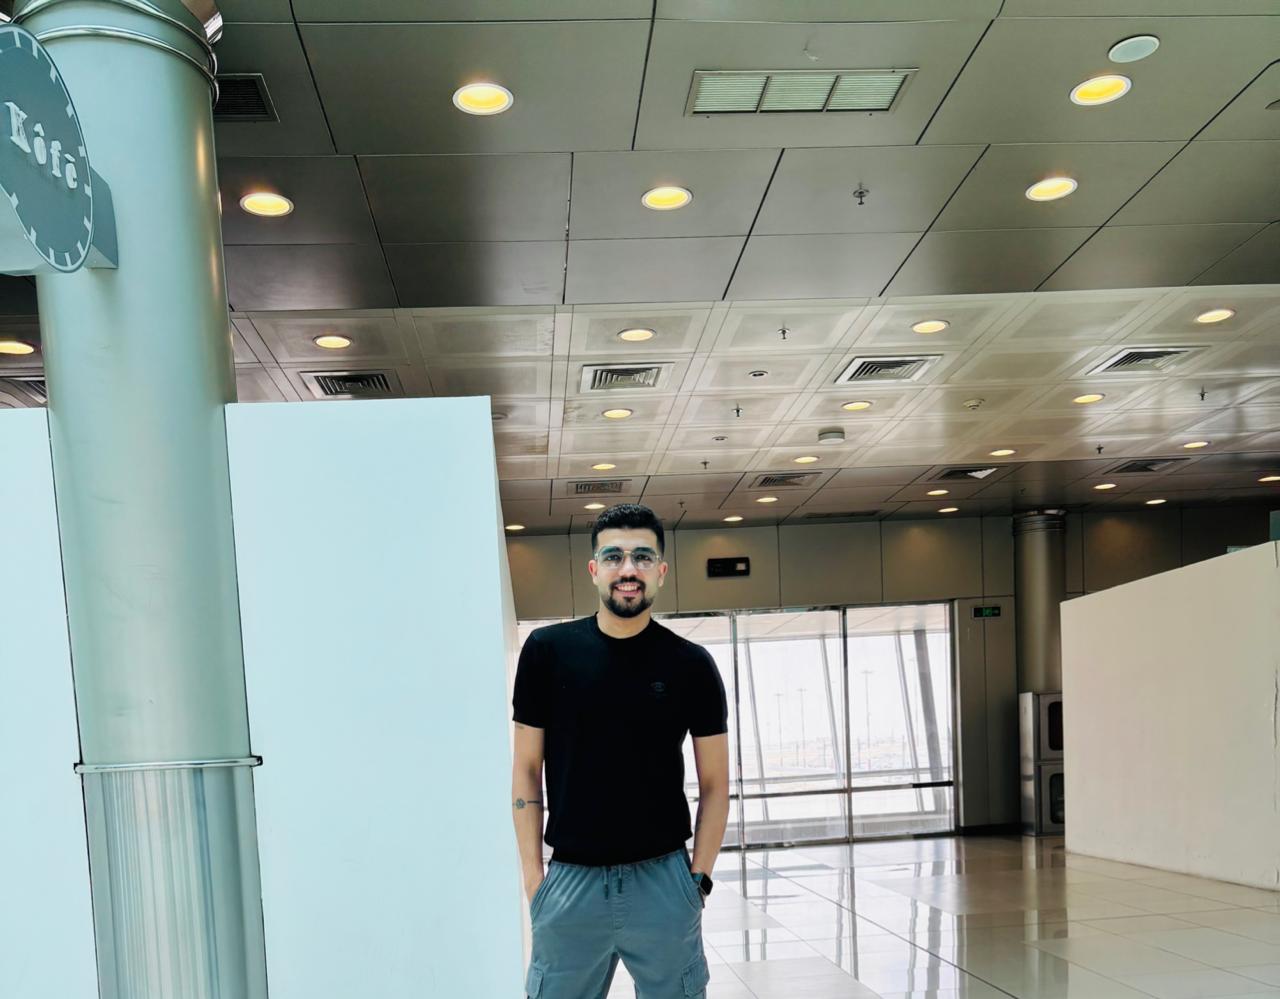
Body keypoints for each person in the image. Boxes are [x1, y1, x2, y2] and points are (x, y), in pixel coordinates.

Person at [511, 503, 730, 999]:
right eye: (613, 556)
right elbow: (525, 770)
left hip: (663, 882)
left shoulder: (691, 665)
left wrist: (697, 880)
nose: (628, 569)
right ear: (594, 569)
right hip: (570, 885)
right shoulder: (547, 652)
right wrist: (535, 882)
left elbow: (716, 784)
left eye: (642, 557)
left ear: (661, 571)